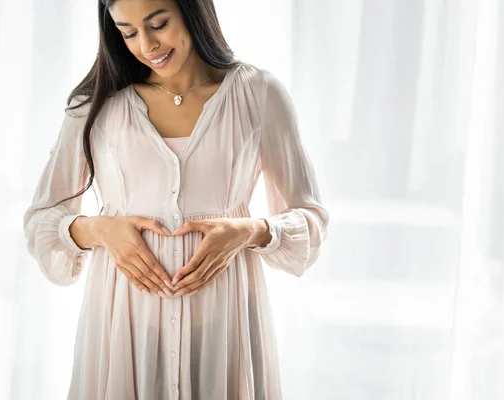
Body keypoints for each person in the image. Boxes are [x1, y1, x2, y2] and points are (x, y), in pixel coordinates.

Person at [22, 0, 329, 398]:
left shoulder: (259, 95)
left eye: (159, 24)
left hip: (225, 322)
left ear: (192, 10)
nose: (146, 45)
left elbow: (311, 218)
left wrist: (251, 230)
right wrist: (99, 229)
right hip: (121, 329)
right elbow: (41, 221)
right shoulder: (95, 105)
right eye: (128, 32)